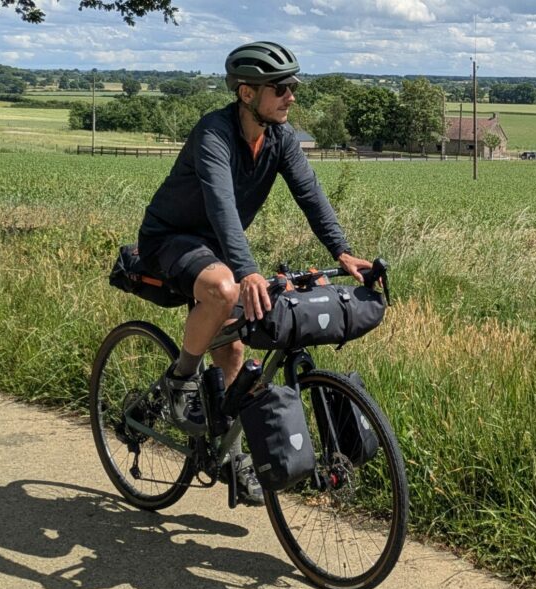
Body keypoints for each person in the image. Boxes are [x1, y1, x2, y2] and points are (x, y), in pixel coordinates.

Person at [137, 41, 370, 505]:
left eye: (294, 86)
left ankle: (231, 453)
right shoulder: (214, 135)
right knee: (226, 290)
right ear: (247, 93)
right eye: (281, 87)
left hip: (218, 247)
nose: (291, 96)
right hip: (171, 239)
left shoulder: (281, 139)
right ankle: (181, 379)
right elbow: (221, 204)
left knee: (237, 342)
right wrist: (246, 271)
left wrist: (343, 251)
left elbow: (310, 194)